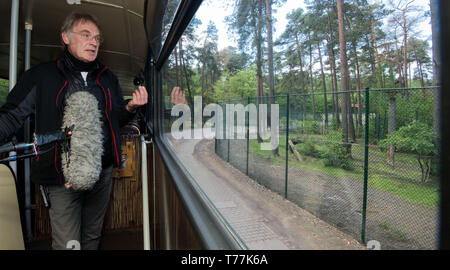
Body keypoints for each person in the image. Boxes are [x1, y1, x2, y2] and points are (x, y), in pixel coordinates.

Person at [0, 13, 150, 250]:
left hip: (101, 173)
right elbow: (11, 116)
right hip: (60, 178)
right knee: (69, 244)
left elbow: (115, 119)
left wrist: (130, 107)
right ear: (65, 37)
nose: (94, 42)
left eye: (97, 38)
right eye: (86, 35)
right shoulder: (41, 76)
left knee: (92, 238)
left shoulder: (108, 78)